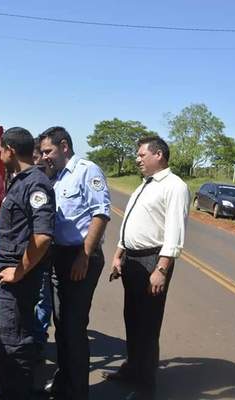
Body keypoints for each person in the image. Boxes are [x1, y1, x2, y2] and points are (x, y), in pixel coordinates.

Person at [105, 136, 190, 400]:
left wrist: (162, 268)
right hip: (131, 259)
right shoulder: (146, 184)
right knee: (132, 317)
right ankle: (133, 368)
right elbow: (130, 221)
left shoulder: (174, 186)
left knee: (149, 324)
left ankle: (146, 385)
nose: (137, 159)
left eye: (142, 155)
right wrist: (119, 253)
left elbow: (175, 232)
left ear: (159, 155)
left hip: (153, 261)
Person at [39, 126, 111, 400]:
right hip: (59, 256)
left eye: (48, 151)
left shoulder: (86, 170)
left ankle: (78, 391)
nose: (45, 156)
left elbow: (100, 214)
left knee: (74, 326)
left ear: (64, 146)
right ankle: (64, 379)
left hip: (81, 256)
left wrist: (85, 255)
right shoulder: (56, 176)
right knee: (62, 324)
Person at [0, 127, 55, 399]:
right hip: (9, 275)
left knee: (15, 340)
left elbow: (42, 237)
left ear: (10, 149)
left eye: (0, 149)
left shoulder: (35, 183)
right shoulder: (21, 179)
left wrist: (18, 272)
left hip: (17, 279)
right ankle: (11, 389)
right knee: (9, 338)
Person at [32, 138, 56, 349]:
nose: (36, 161)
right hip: (25, 251)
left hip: (44, 252)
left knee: (42, 298)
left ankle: (38, 341)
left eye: (38, 156)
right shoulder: (23, 179)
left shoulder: (50, 182)